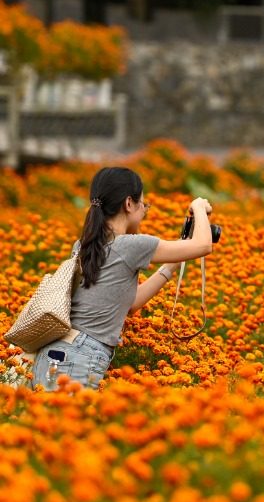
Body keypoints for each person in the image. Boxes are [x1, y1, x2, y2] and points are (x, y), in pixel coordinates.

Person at [30, 167, 215, 391]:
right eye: (144, 205)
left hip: (54, 353)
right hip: (78, 358)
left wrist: (173, 264)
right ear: (129, 204)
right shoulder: (130, 245)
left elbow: (132, 304)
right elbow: (203, 245)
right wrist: (199, 207)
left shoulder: (84, 245)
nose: (145, 211)